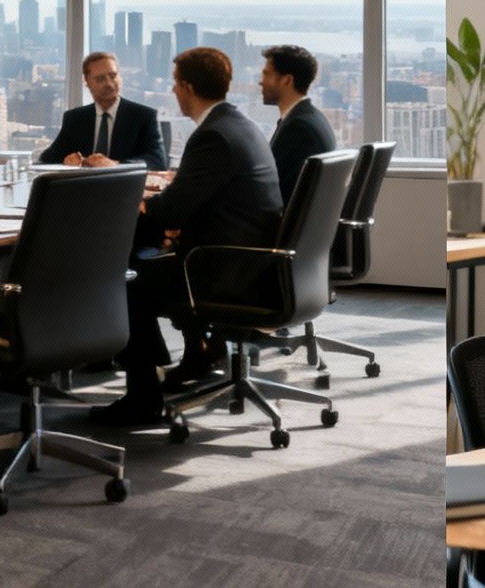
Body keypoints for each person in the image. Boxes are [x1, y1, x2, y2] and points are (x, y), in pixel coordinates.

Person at [88, 47, 285, 427]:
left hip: (223, 270)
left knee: (128, 284)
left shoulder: (212, 136)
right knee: (144, 266)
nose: (174, 92)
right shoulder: (238, 125)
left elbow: (170, 213)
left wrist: (138, 204)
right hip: (249, 261)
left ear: (188, 87)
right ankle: (194, 355)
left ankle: (142, 399)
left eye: (176, 85)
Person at [38, 51, 167, 170]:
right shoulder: (75, 118)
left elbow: (158, 161)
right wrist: (66, 160)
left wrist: (117, 165)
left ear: (120, 77)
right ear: (87, 82)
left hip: (125, 188)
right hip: (84, 189)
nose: (109, 83)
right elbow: (47, 158)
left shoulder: (144, 116)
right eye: (100, 79)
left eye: (113, 76)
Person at [261, 43, 337, 202]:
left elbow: (274, 191)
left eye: (266, 74)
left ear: (286, 80)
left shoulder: (299, 129)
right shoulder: (313, 118)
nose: (261, 82)